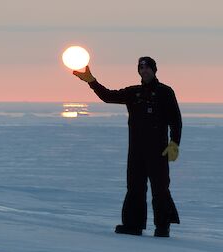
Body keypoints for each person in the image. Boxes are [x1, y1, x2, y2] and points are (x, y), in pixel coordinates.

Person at [73, 57, 182, 237]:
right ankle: (133, 225)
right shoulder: (133, 92)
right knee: (135, 188)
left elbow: (175, 121)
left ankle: (163, 227)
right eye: (141, 68)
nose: (144, 71)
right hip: (136, 151)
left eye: (147, 68)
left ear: (154, 70)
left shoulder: (165, 92)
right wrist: (92, 81)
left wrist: (174, 143)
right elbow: (108, 96)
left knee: (160, 189)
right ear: (138, 71)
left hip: (158, 150)